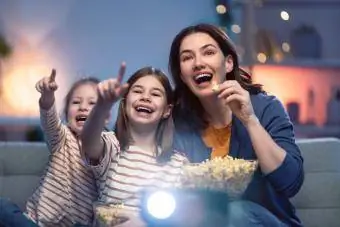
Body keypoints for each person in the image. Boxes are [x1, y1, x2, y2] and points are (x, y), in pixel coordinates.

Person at [168, 23, 304, 227]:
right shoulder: (179, 123)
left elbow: (290, 182)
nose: (198, 63)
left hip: (266, 221)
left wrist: (250, 120)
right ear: (182, 75)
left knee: (236, 212)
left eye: (208, 52)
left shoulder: (265, 107)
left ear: (229, 63)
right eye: (187, 57)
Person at [81, 65, 188, 227]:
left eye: (155, 94)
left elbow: (184, 220)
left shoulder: (179, 164)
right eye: (138, 91)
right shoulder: (110, 146)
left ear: (167, 110)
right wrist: (102, 105)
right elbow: (88, 141)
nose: (145, 97)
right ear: (124, 103)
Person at [0, 70, 101, 227]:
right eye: (76, 102)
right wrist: (47, 97)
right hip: (36, 223)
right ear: (67, 114)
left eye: (92, 103)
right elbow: (49, 119)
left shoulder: (108, 146)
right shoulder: (62, 137)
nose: (83, 107)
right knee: (3, 207)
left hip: (77, 224)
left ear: (105, 113)